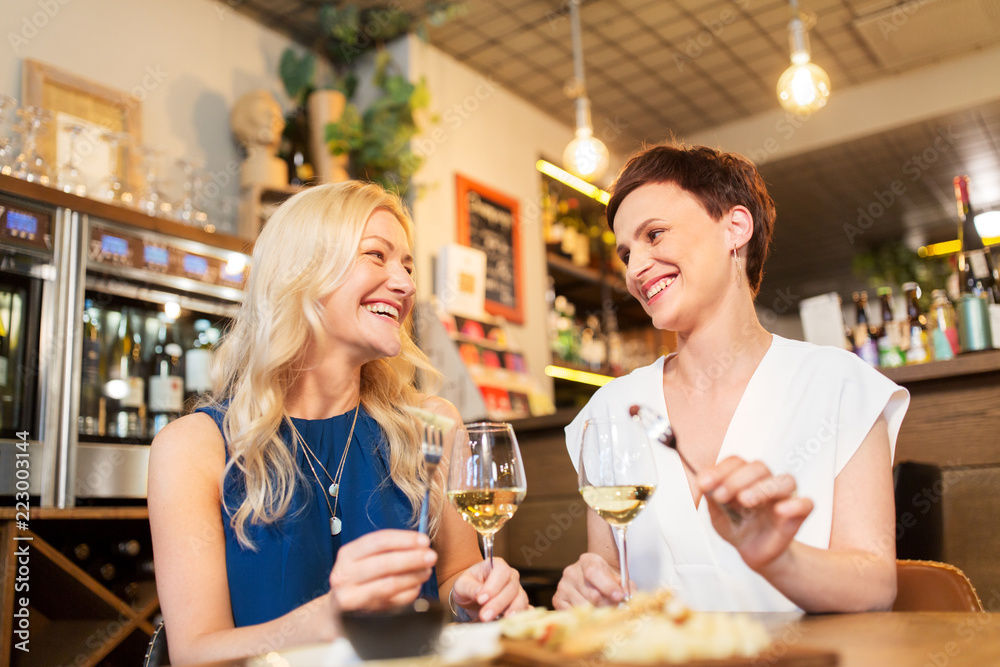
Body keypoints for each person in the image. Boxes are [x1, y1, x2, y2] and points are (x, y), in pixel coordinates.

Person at [149, 181, 528, 665]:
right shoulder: (193, 448)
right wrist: (328, 618)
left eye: (408, 266)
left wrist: (471, 595)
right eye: (377, 255)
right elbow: (195, 654)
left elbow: (457, 576)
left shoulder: (431, 426)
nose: (407, 284)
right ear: (301, 271)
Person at [552, 145, 909, 614]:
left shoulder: (840, 385)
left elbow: (876, 585)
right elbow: (607, 583)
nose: (635, 270)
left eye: (654, 235)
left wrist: (779, 559)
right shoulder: (610, 409)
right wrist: (587, 590)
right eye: (625, 253)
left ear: (735, 227)